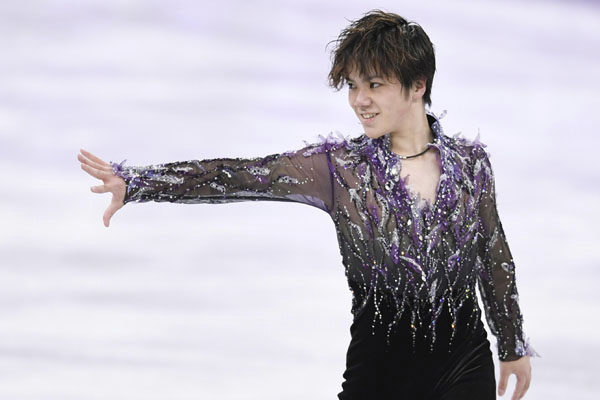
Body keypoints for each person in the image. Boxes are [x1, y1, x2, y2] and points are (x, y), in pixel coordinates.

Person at [78, 9, 540, 400]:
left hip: (464, 370)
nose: (359, 100)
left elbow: (493, 255)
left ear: (417, 85)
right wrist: (138, 183)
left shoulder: (469, 165)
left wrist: (511, 344)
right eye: (353, 86)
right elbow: (241, 175)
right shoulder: (339, 169)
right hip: (378, 376)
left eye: (374, 84)